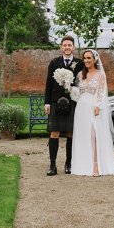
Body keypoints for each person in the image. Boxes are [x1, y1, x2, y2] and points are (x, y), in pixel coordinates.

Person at [70, 49, 114, 177]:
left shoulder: (100, 74)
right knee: (84, 136)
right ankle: (83, 164)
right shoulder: (80, 74)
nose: (86, 61)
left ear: (94, 59)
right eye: (84, 58)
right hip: (81, 107)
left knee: (94, 135)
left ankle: (96, 165)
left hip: (94, 106)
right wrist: (68, 86)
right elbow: (77, 93)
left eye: (89, 58)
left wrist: (98, 106)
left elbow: (102, 91)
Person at [44, 35, 84, 175]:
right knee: (54, 133)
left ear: (73, 47)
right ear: (61, 47)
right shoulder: (54, 62)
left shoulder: (79, 63)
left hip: (73, 102)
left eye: (69, 45)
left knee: (71, 133)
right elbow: (48, 84)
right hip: (56, 102)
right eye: (65, 45)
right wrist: (47, 102)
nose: (67, 47)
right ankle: (52, 165)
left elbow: (83, 83)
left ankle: (69, 164)